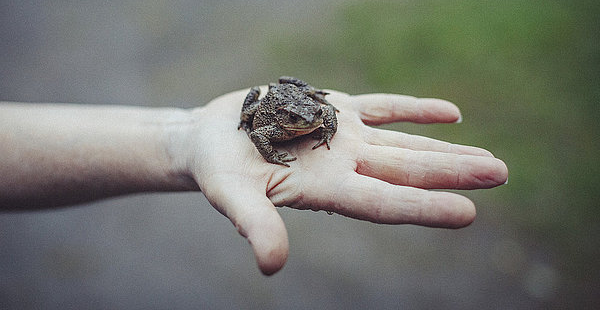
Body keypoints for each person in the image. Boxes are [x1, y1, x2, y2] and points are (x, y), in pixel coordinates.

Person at [0, 87, 508, 275]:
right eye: (306, 120)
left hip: (292, 97)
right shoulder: (273, 121)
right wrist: (209, 135)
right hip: (267, 103)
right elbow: (262, 136)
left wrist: (322, 126)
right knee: (250, 117)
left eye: (315, 116)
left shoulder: (314, 115)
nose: (313, 124)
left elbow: (324, 115)